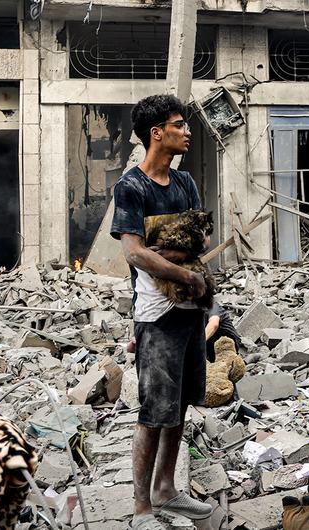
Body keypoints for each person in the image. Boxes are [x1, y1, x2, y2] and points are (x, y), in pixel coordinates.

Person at [109, 94, 214, 530]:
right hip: (156, 315)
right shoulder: (132, 187)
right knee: (153, 412)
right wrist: (184, 272)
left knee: (182, 404)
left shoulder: (185, 182)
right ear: (157, 133)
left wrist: (170, 253)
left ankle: (167, 490)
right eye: (179, 124)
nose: (187, 131)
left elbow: (202, 240)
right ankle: (141, 510)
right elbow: (134, 252)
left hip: (191, 310)